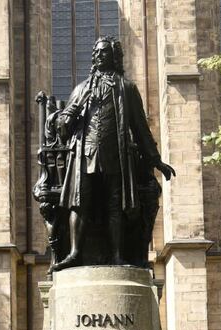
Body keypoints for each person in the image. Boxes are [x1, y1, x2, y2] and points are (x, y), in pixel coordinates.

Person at [54, 37, 175, 269]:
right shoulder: (81, 89)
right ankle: (75, 253)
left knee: (115, 205)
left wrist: (156, 161)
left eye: (104, 52)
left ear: (114, 56)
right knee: (80, 203)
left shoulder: (126, 88)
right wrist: (69, 115)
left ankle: (118, 256)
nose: (99, 56)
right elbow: (63, 129)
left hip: (115, 156)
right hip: (85, 154)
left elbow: (140, 127)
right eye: (96, 52)